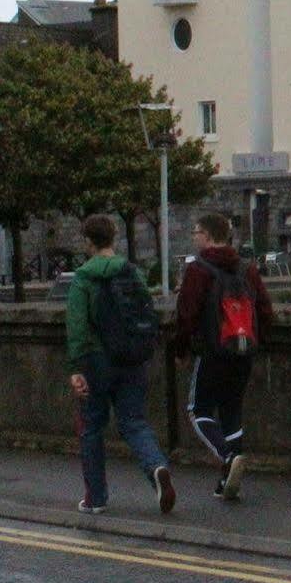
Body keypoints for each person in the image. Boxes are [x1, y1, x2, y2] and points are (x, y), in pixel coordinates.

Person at [67, 214, 174, 515]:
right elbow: (146, 312)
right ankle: (157, 469)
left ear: (88, 241)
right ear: (114, 238)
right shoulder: (132, 272)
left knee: (91, 427)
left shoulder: (83, 278)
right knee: (134, 422)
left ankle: (96, 499)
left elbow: (76, 327)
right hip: (131, 357)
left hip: (96, 361)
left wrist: (76, 368)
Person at [172, 213, 274, 501]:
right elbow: (265, 310)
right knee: (232, 411)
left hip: (213, 350)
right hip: (243, 349)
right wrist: (257, 342)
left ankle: (228, 458)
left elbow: (187, 315)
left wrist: (181, 349)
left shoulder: (199, 269)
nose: (194, 237)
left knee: (198, 410)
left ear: (206, 235)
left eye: (195, 232)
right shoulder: (247, 268)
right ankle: (228, 481)